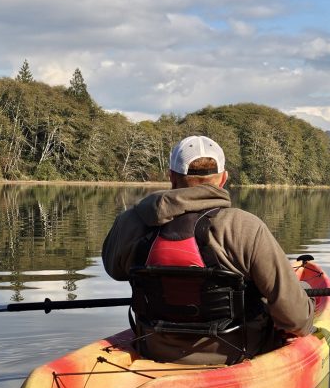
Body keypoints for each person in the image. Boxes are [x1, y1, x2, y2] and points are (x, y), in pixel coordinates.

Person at [102, 135, 314, 363]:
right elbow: (296, 320)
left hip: (153, 349)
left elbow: (115, 270)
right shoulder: (244, 227)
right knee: (292, 299)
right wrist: (306, 303)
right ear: (223, 178)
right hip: (238, 354)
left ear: (172, 177)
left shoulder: (130, 222)